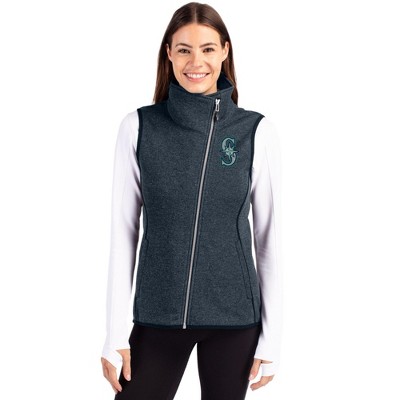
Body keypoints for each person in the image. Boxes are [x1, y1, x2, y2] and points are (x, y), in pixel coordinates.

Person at [100, 2, 283, 399]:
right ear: (168, 53)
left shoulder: (255, 131)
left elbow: (269, 240)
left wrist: (273, 338)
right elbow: (123, 235)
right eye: (184, 49)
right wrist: (114, 333)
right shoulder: (139, 127)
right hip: (157, 314)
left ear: (225, 52)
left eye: (207, 49)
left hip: (234, 319)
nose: (195, 62)